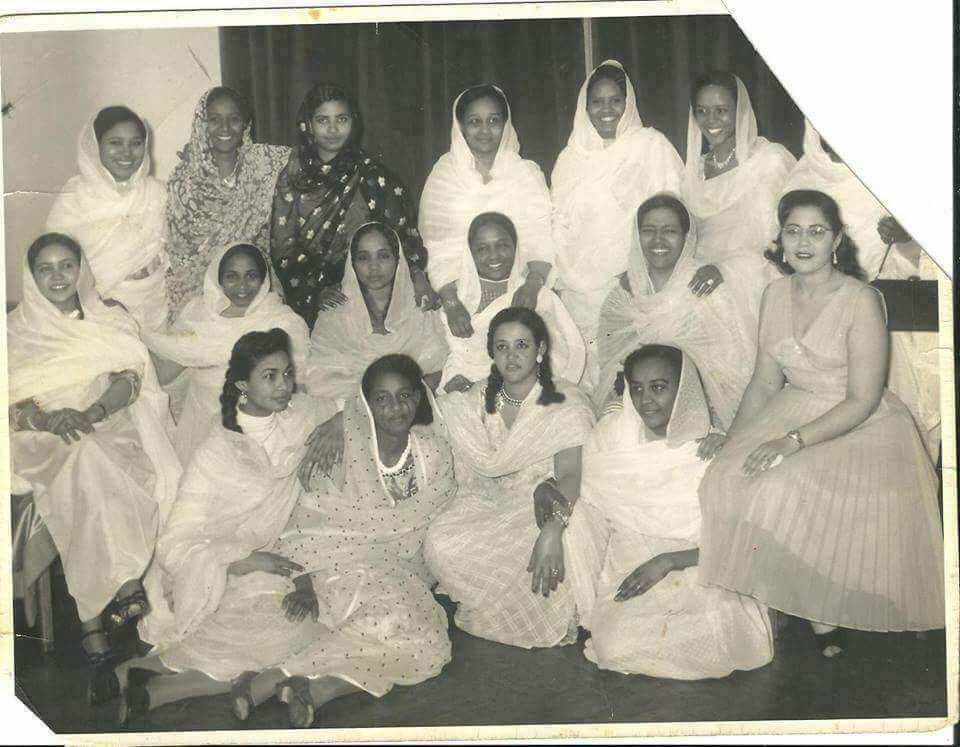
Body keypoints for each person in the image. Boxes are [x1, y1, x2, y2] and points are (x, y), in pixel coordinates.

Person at [116, 344, 453, 729]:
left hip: (391, 574)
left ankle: (291, 683)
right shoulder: (338, 452)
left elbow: (430, 522)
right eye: (382, 399)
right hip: (324, 573)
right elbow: (306, 524)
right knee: (285, 627)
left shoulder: (434, 454)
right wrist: (304, 580)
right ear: (366, 404)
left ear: (419, 398)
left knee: (412, 631)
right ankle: (161, 684)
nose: (395, 408)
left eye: (405, 396)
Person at [697, 190, 945, 658]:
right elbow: (764, 383)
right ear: (781, 239)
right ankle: (792, 598)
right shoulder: (774, 294)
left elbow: (863, 398)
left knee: (781, 485)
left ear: (837, 240)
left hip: (859, 425)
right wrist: (733, 439)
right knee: (723, 476)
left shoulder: (861, 299)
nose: (804, 242)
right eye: (793, 231)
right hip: (792, 407)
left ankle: (822, 613)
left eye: (817, 231)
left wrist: (792, 441)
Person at [7, 233, 181, 702]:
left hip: (106, 422)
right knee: (83, 455)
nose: (58, 276)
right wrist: (47, 419)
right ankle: (126, 586)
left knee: (90, 458)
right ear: (31, 275)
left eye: (67, 265)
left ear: (81, 269)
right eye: (46, 268)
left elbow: (130, 380)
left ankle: (91, 626)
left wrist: (93, 413)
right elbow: (11, 399)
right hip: (41, 436)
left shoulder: (108, 318)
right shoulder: (14, 329)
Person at [581, 345, 774, 679]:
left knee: (721, 640)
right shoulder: (613, 437)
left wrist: (668, 561)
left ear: (683, 389)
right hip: (630, 558)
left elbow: (737, 541)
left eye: (658, 387)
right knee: (615, 645)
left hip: (697, 562)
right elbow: (586, 488)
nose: (646, 400)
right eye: (637, 388)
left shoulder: (709, 448)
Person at [424, 307, 606, 649]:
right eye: (502, 346)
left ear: (540, 350)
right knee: (439, 543)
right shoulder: (476, 398)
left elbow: (570, 475)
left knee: (563, 540)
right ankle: (503, 603)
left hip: (548, 503)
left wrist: (552, 529)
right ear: (492, 352)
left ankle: (529, 611)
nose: (512, 355)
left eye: (522, 345)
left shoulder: (566, 401)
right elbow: (429, 416)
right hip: (489, 501)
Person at [784, 119, 942, 460]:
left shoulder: (892, 172)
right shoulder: (800, 176)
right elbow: (785, 252)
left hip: (887, 310)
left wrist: (907, 238)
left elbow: (926, 260)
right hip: (815, 309)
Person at [551, 61, 684, 391]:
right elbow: (558, 224)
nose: (607, 110)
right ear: (585, 107)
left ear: (629, 103)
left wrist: (639, 270)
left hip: (631, 284)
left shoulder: (651, 146)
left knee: (629, 380)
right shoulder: (569, 158)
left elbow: (673, 214)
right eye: (597, 102)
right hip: (576, 291)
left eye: (615, 101)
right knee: (583, 380)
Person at [270, 84, 434, 330]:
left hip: (374, 290)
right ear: (308, 125)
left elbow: (401, 237)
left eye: (342, 119)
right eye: (323, 120)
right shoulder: (292, 178)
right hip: (312, 298)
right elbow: (283, 251)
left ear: (353, 121)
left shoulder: (371, 175)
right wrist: (316, 292)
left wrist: (418, 277)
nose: (333, 129)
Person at [596, 193, 758, 429]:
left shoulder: (705, 286)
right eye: (649, 230)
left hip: (702, 406)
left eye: (669, 231)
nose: (658, 240)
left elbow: (732, 366)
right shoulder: (623, 294)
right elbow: (612, 363)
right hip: (638, 401)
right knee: (611, 431)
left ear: (686, 237)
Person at [142, 243, 309, 464]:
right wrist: (129, 336)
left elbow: (298, 388)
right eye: (232, 276)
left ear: (263, 278)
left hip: (261, 426)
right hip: (201, 424)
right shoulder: (198, 314)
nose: (242, 285)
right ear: (219, 279)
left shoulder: (283, 321)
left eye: (251, 276)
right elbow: (166, 373)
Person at [419, 85, 554, 342]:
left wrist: (531, 286)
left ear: (505, 124)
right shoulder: (444, 175)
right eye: (475, 122)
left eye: (493, 121)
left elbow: (541, 238)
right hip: (459, 298)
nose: (484, 130)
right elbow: (436, 247)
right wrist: (452, 303)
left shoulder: (526, 173)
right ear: (460, 126)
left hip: (523, 291)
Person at [166, 86, 290, 320]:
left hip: (255, 287)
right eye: (214, 120)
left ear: (246, 124)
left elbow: (309, 159)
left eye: (234, 119)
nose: (225, 128)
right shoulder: (183, 181)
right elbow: (179, 253)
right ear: (202, 124)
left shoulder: (264, 164)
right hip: (198, 293)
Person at [47, 106, 170, 331]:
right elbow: (56, 265)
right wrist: (97, 304)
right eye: (115, 143)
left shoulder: (157, 192)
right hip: (98, 308)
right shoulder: (74, 197)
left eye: (135, 143)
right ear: (95, 146)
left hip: (155, 303)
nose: (127, 153)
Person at [304, 222, 449, 406]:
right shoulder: (333, 316)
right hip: (352, 413)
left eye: (383, 256)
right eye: (364, 258)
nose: (374, 266)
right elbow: (319, 382)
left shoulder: (422, 307)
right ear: (352, 263)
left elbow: (443, 364)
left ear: (398, 259)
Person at [440, 211, 585, 394]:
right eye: (482, 249)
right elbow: (458, 356)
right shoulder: (456, 298)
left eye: (502, 245)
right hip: (466, 388)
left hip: (524, 389)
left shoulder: (534, 295)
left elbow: (567, 351)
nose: (494, 256)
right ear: (470, 253)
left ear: (516, 247)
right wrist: (454, 379)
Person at [681, 71, 795, 295]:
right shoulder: (693, 172)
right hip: (699, 277)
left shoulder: (769, 160)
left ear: (740, 111)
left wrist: (727, 269)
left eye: (721, 111)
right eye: (702, 111)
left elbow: (777, 239)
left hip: (754, 278)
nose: (711, 120)